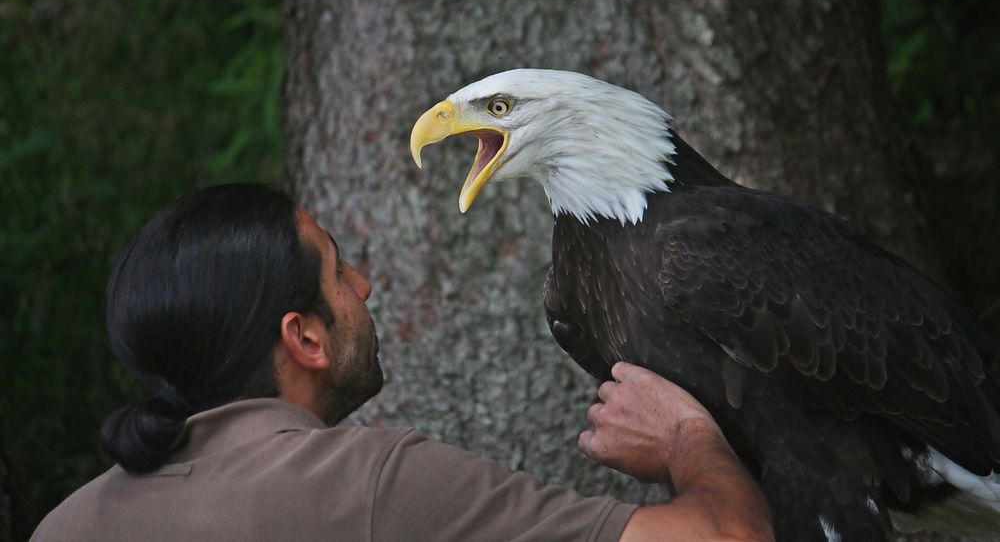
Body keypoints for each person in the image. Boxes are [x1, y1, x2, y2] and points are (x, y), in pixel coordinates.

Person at [31, 183, 772, 542]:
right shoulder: (370, 486)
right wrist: (688, 440)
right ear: (306, 338)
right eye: (338, 268)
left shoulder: (63, 526)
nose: (364, 286)